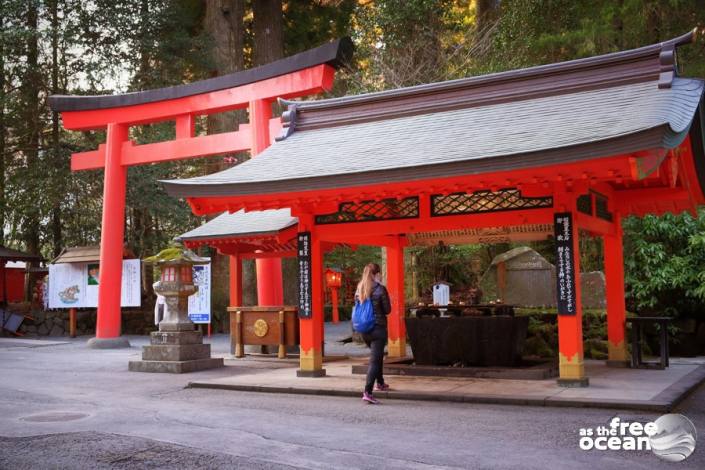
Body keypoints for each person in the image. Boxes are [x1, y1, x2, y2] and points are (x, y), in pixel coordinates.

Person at [355, 262, 391, 404]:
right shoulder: (380, 289)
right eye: (380, 273)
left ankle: (380, 382)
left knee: (377, 356)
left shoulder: (359, 288)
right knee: (375, 361)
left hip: (364, 330)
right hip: (378, 329)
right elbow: (387, 310)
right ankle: (367, 392)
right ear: (376, 274)